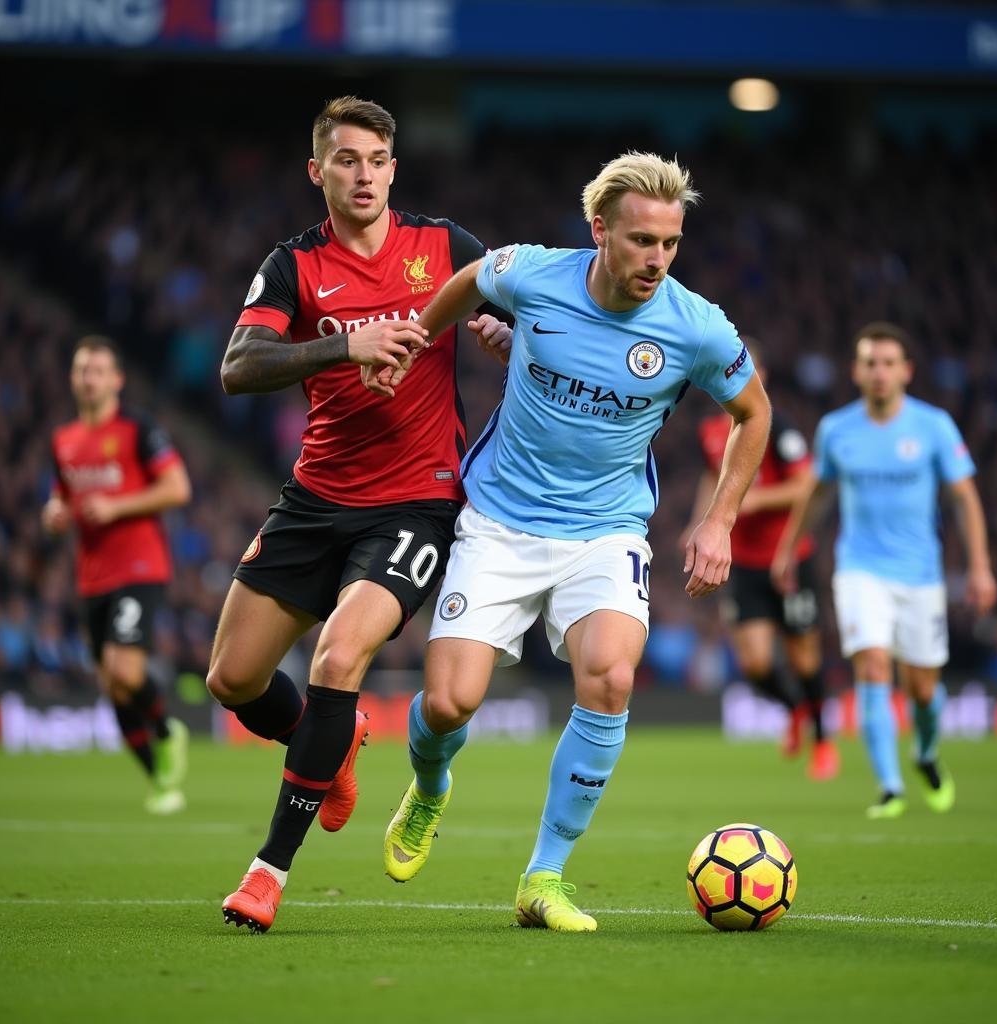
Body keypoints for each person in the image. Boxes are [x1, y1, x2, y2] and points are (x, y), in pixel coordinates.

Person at [374, 152, 772, 932]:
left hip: (605, 530)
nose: (656, 259)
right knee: (451, 703)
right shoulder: (534, 274)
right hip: (497, 521)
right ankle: (428, 787)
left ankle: (544, 875)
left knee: (611, 679)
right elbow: (471, 280)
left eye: (670, 243)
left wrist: (720, 516)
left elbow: (753, 414)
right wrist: (420, 338)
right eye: (640, 241)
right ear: (599, 232)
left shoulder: (695, 326)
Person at [206, 96, 511, 933]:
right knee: (231, 680)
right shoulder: (294, 264)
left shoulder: (445, 248)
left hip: (416, 501)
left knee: (340, 656)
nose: (364, 173)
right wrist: (348, 342)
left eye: (376, 159)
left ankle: (267, 873)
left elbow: (541, 309)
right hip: (316, 497)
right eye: (346, 159)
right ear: (319, 172)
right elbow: (240, 365)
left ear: (393, 169)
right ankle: (327, 741)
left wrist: (515, 342)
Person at [772, 322, 997, 819]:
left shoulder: (933, 426)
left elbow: (964, 497)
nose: (879, 372)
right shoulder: (836, 429)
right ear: (856, 371)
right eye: (870, 363)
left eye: (888, 363)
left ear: (906, 371)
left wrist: (980, 566)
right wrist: (789, 548)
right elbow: (818, 492)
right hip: (860, 570)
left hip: (920, 574)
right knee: (872, 666)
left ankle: (926, 754)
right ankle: (890, 787)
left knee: (921, 687)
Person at [43, 336, 192, 813]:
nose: (88, 378)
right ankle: (160, 779)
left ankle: (169, 731)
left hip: (140, 565)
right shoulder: (62, 441)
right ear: (73, 378)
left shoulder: (138, 430)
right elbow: (61, 497)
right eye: (81, 369)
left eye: (97, 370)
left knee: (123, 668)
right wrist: (54, 514)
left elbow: (177, 488)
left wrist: (117, 506)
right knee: (111, 683)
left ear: (116, 380)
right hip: (92, 576)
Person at [684, 337, 839, 780]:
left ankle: (824, 742)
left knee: (804, 657)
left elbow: (806, 484)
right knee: (753, 662)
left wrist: (755, 500)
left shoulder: (778, 425)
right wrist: (698, 520)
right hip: (743, 561)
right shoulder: (710, 430)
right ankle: (794, 711)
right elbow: (710, 476)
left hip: (788, 558)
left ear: (762, 376)